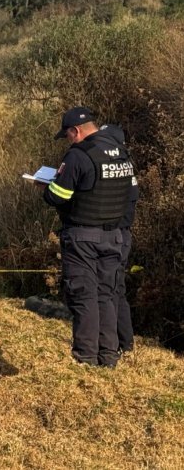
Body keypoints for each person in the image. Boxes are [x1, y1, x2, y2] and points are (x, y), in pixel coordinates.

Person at [43, 108, 134, 368]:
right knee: (107, 295)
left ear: (76, 131)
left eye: (68, 135)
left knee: (84, 295)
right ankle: (108, 356)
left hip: (83, 236)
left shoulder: (78, 155)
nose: (69, 140)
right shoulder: (121, 153)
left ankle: (86, 356)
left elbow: (57, 196)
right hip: (115, 236)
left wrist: (46, 188)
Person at [99, 124, 139, 354]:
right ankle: (124, 341)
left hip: (117, 234)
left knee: (110, 290)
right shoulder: (126, 167)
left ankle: (118, 343)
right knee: (116, 289)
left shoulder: (118, 170)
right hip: (122, 235)